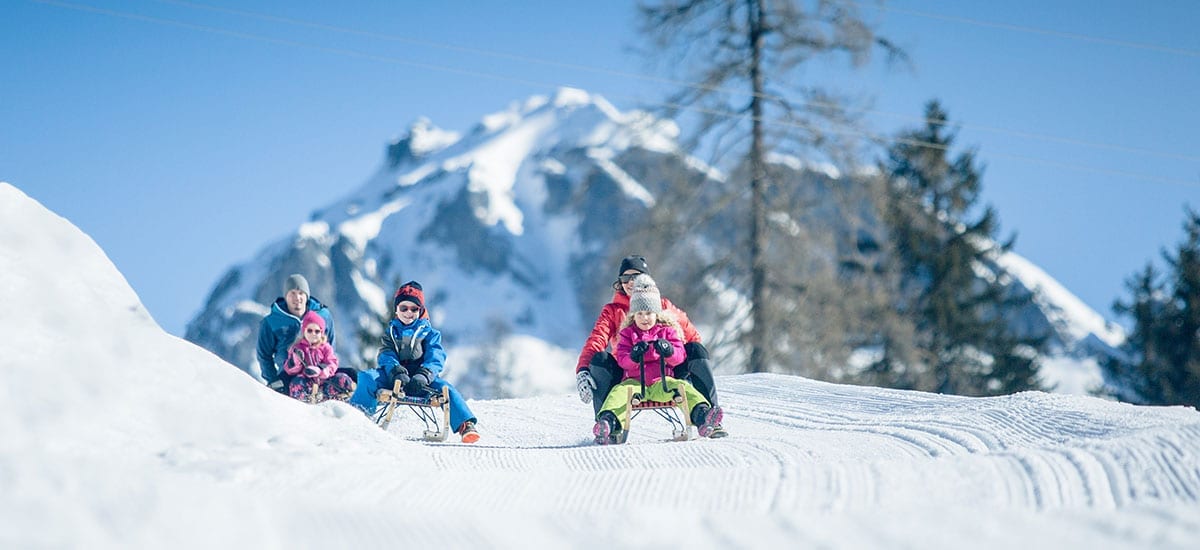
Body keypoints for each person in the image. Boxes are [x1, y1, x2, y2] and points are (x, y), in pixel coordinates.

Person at [575, 255, 727, 437]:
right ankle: (609, 426)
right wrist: (583, 370)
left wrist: (672, 354)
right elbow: (596, 340)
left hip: (665, 372)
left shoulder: (663, 307)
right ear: (620, 282)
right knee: (600, 359)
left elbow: (692, 336)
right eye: (625, 278)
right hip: (629, 373)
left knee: (696, 349)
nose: (631, 282)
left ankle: (708, 419)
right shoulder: (614, 311)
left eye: (636, 277)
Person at [349, 281, 480, 444]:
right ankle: (357, 416)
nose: (408, 312)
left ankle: (465, 425)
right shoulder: (391, 332)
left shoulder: (430, 333)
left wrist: (424, 374)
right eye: (404, 308)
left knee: (446, 390)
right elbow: (386, 354)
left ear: (421, 310)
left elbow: (436, 356)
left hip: (422, 381)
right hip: (394, 378)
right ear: (396, 310)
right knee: (367, 378)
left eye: (414, 309)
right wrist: (395, 370)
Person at [257, 274, 336, 393]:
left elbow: (329, 343)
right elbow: (264, 355)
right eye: (292, 293)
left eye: (301, 293)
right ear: (285, 296)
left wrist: (325, 368)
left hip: (320, 372)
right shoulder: (271, 322)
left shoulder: (323, 315)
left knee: (350, 375)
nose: (297, 297)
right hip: (288, 375)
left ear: (307, 296)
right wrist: (273, 380)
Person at [281, 310, 354, 402]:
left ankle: (344, 397)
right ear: (304, 331)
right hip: (307, 382)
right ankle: (304, 401)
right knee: (297, 382)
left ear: (321, 333)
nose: (313, 334)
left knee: (342, 378)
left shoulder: (325, 347)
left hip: (325, 382)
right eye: (310, 331)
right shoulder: (297, 347)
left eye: (317, 331)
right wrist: (295, 362)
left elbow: (332, 363)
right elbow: (289, 370)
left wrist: (321, 371)